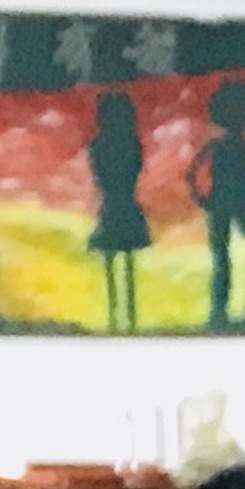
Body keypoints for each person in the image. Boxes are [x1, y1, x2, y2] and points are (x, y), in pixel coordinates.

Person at [188, 74, 245, 329]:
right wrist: (202, 199)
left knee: (224, 256)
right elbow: (192, 174)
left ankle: (224, 311)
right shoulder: (241, 146)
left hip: (223, 203)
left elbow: (192, 174)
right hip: (236, 203)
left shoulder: (221, 145)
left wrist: (202, 199)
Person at [86, 91, 150, 333]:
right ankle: (129, 317)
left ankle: (115, 316)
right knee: (127, 264)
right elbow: (135, 170)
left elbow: (99, 175)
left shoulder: (98, 146)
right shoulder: (132, 144)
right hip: (126, 204)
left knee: (112, 262)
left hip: (112, 204)